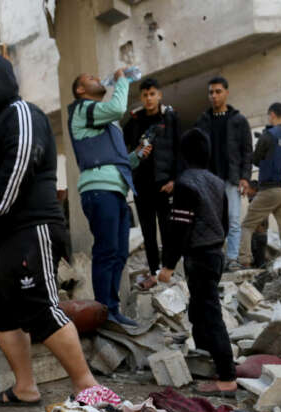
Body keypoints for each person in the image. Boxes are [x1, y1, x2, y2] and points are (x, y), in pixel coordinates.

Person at [0, 54, 113, 406]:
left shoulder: (21, 113)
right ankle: (25, 387)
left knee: (41, 308)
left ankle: (87, 386)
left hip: (27, 230)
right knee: (0, 316)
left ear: (0, 82)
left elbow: (23, 157)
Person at [157, 130, 236, 397]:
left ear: (183, 155)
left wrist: (168, 265)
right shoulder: (217, 183)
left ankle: (227, 377)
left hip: (200, 256)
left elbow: (179, 227)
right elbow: (225, 223)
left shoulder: (185, 184)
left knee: (210, 313)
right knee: (199, 311)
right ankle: (209, 361)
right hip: (215, 253)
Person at [69, 69, 140, 327]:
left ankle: (112, 308)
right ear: (80, 90)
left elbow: (118, 161)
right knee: (106, 250)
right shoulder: (82, 109)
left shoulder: (106, 123)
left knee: (119, 252)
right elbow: (118, 107)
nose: (98, 80)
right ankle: (103, 311)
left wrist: (139, 155)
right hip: (99, 190)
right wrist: (122, 79)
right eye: (91, 79)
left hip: (116, 190)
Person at [124, 77, 181, 290]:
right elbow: (124, 152)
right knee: (148, 231)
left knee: (167, 228)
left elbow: (178, 150)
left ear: (160, 95)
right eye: (145, 95)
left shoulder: (171, 118)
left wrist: (175, 179)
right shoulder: (133, 122)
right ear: (141, 97)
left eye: (152, 94)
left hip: (164, 184)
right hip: (141, 185)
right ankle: (154, 271)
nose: (149, 99)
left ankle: (168, 270)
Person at [195, 76, 252, 268]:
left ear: (226, 92)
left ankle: (233, 258)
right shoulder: (202, 121)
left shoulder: (238, 120)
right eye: (211, 92)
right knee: (213, 222)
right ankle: (216, 259)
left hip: (232, 178)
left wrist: (245, 177)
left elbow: (247, 150)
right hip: (210, 180)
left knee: (234, 220)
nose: (214, 96)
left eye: (218, 91)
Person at [239, 102, 281, 267]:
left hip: (270, 189)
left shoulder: (268, 135)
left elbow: (255, 159)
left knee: (247, 225)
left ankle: (244, 261)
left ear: (272, 115)